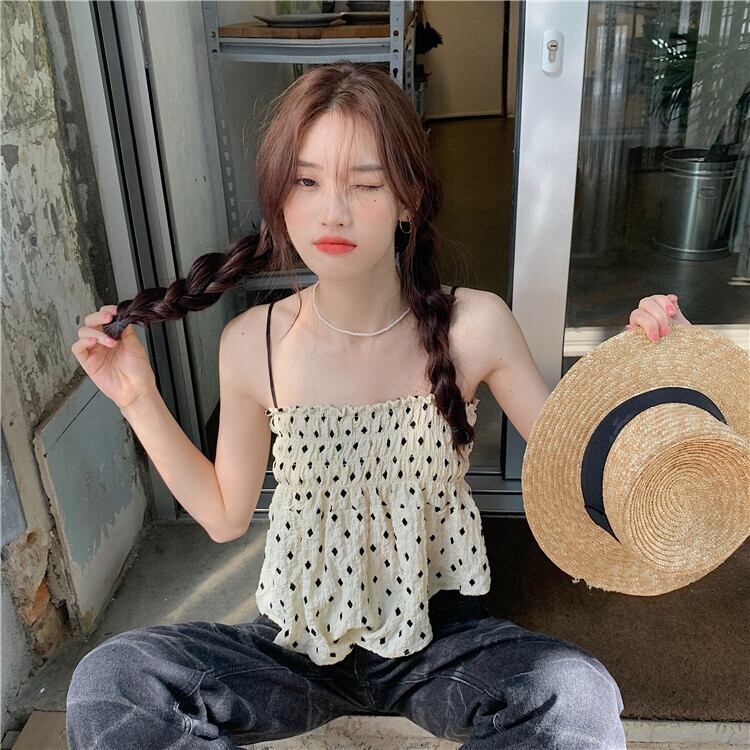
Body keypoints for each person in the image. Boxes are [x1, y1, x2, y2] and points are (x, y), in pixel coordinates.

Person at [67, 62, 690, 750]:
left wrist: (660, 376)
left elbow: (577, 478)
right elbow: (223, 516)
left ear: (408, 200)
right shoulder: (251, 343)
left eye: (365, 184)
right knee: (111, 682)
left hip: (438, 641)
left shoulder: (474, 325)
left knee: (574, 697)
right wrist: (136, 397)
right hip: (295, 645)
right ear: (279, 198)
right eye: (306, 181)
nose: (332, 211)